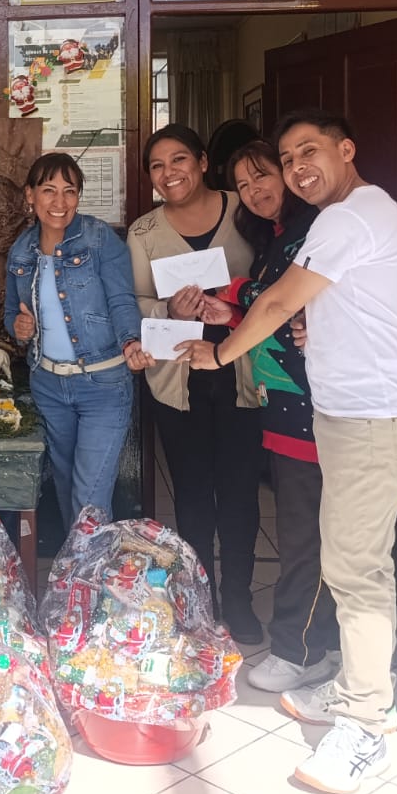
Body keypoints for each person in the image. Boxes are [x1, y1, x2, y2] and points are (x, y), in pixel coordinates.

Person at [181, 109, 397, 794]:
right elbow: (312, 308)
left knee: (357, 569)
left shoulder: (350, 217)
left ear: (347, 150)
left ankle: (366, 723)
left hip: (375, 416)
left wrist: (218, 355)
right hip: (350, 412)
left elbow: (276, 302)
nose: (297, 169)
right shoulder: (356, 217)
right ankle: (354, 686)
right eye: (288, 158)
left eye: (308, 152)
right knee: (347, 559)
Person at [195, 139, 338, 691]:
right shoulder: (280, 236)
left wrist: (236, 292)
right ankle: (318, 645)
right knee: (306, 529)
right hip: (283, 404)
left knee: (305, 535)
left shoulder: (313, 231)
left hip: (308, 406)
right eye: (243, 185)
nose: (254, 191)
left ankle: (298, 651)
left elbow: (279, 300)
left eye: (262, 176)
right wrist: (233, 313)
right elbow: (275, 314)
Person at [126, 124, 264, 643]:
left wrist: (236, 300)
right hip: (178, 380)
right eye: (157, 166)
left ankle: (240, 599)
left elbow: (277, 283)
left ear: (204, 162)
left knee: (240, 491)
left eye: (179, 160)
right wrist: (169, 310)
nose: (169, 173)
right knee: (191, 494)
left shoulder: (245, 209)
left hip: (242, 373)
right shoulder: (144, 232)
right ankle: (200, 598)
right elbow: (136, 301)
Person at [5, 152, 152, 529]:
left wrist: (131, 341)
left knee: (90, 499)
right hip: (48, 384)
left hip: (102, 383)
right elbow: (10, 314)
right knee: (67, 484)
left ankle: (88, 565)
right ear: (30, 195)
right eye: (49, 190)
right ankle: (82, 563)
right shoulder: (21, 250)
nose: (60, 201)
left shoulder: (99, 238)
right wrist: (19, 327)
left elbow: (121, 299)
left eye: (69, 191)